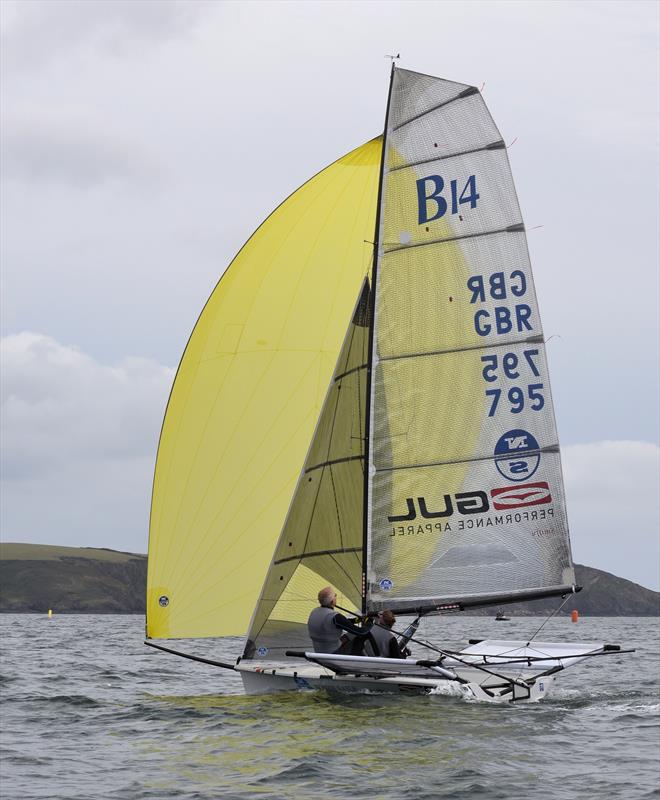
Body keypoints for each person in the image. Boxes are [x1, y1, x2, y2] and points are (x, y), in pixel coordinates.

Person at [307, 586, 374, 654]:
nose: (336, 597)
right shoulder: (335, 617)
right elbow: (361, 632)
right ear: (332, 601)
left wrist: (357, 620)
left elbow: (343, 623)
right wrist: (370, 622)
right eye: (335, 595)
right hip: (334, 653)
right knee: (365, 634)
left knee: (349, 635)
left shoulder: (314, 611)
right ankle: (373, 657)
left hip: (319, 651)